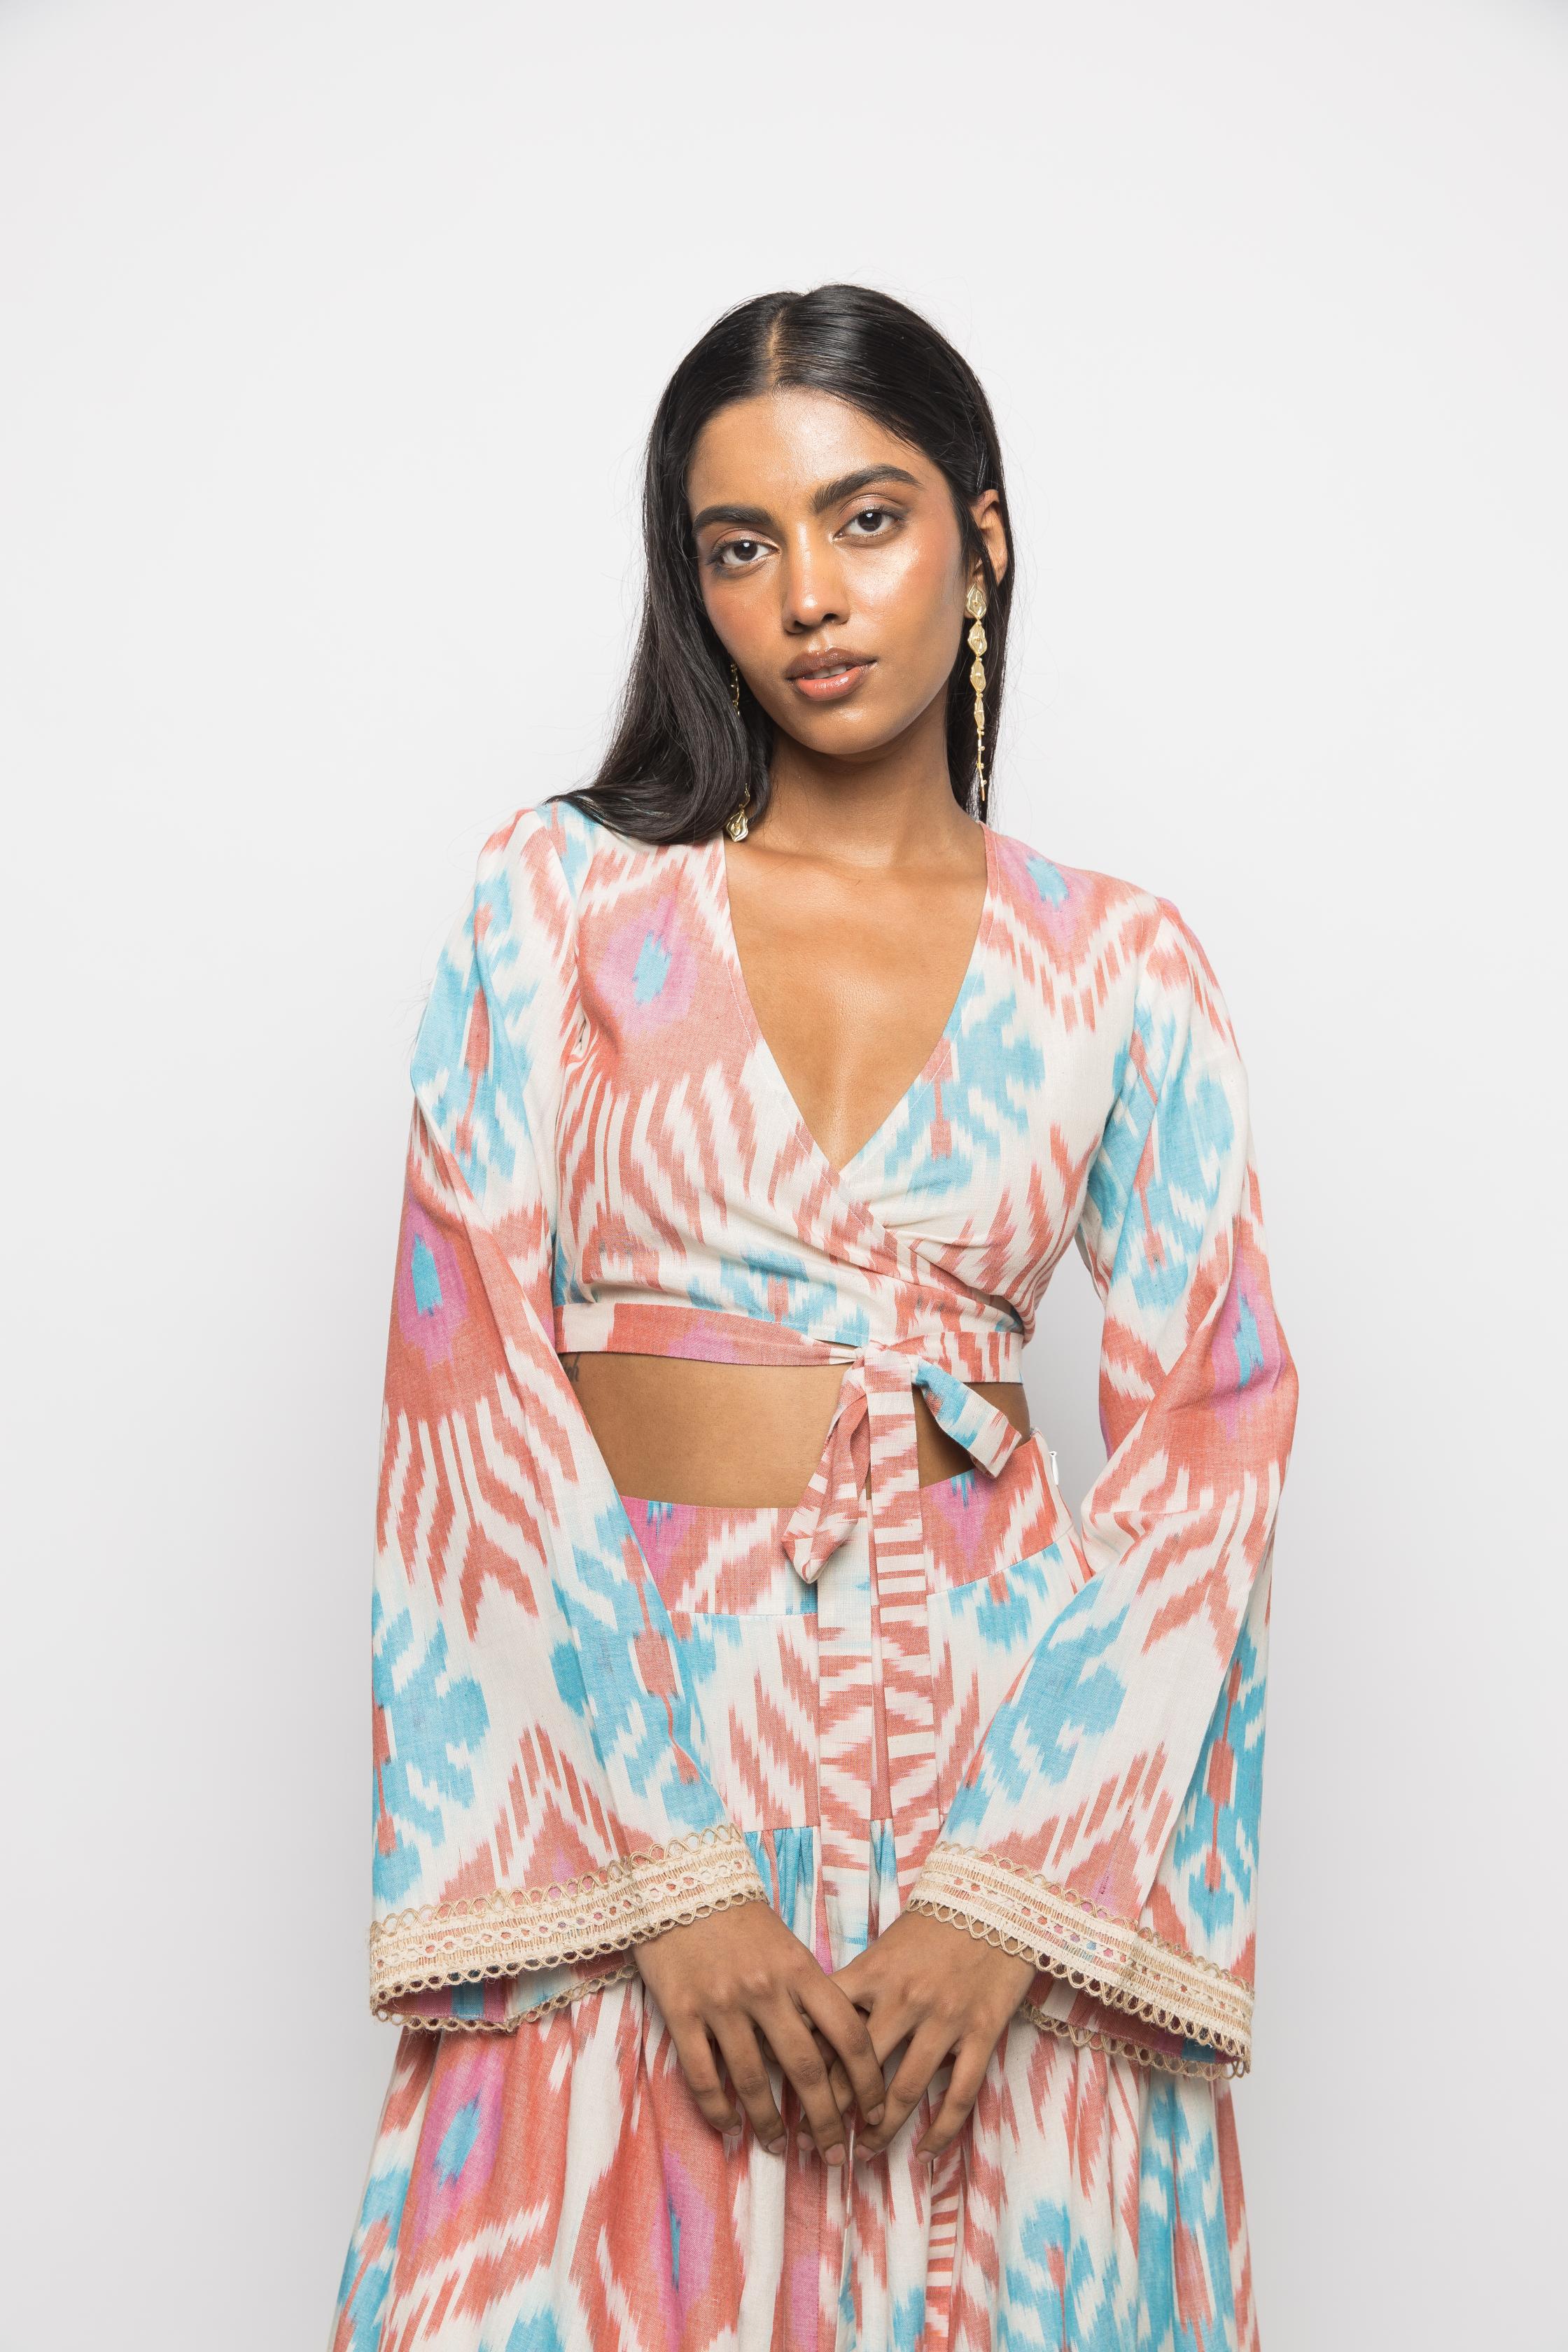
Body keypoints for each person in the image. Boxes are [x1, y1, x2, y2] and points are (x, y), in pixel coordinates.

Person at [329, 284, 1298, 2352]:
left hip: (996, 1788)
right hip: (633, 1764)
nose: (809, 597)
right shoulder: (558, 903)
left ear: (982, 536)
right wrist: (671, 1888)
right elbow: (462, 1372)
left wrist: (1008, 1907)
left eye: (867, 519)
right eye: (739, 544)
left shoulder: (1122, 963)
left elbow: (1218, 1418)